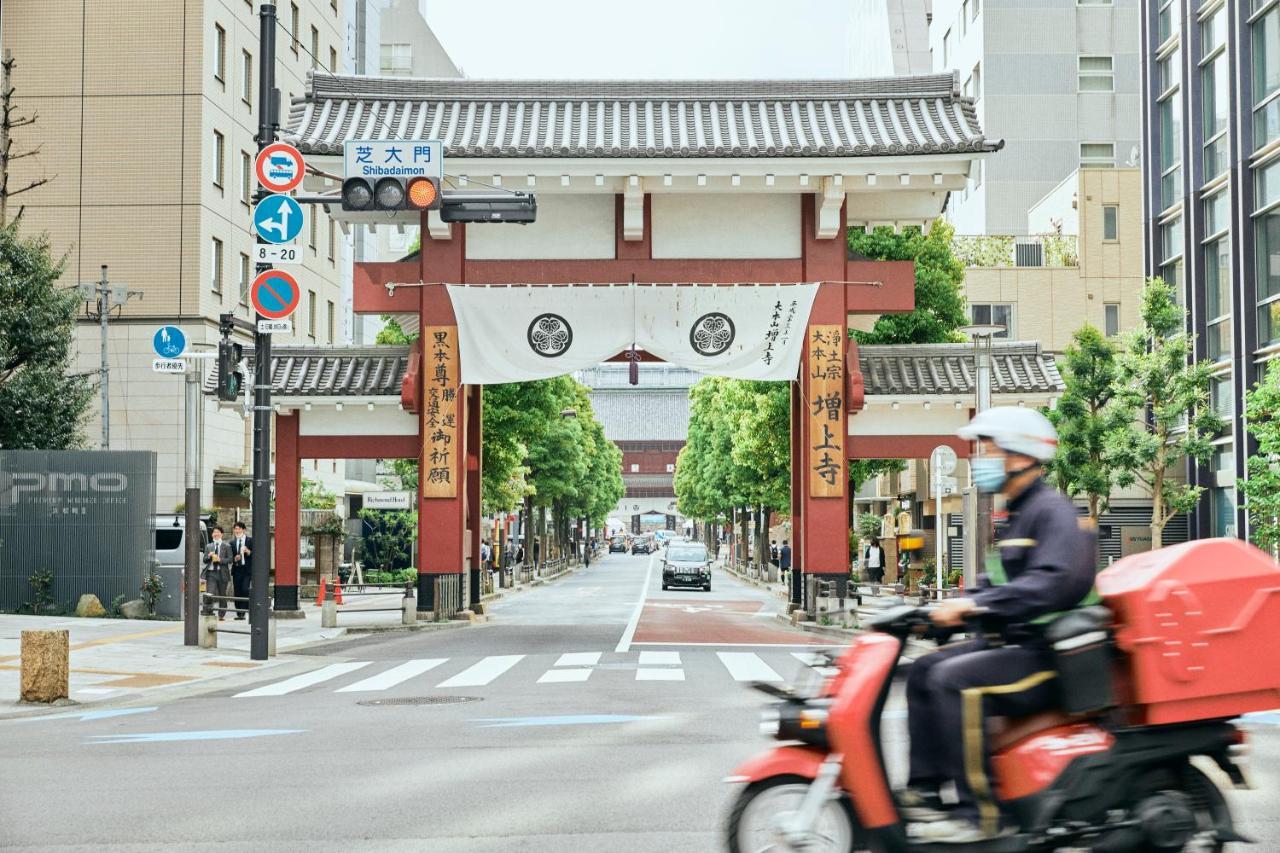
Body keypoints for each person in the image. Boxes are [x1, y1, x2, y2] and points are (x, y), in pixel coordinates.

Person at [901, 407, 1096, 843]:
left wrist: (974, 609)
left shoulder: (1053, 512)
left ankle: (980, 816)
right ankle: (926, 793)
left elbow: (1051, 585)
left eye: (988, 448)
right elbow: (998, 583)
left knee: (957, 682)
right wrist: (938, 615)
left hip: (1049, 654)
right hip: (1015, 646)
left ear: (1020, 457)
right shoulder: (1018, 514)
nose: (979, 457)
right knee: (923, 671)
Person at [202, 525, 233, 621]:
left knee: (222, 594)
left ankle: (221, 614)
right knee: (210, 593)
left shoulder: (227, 546)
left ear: (221, 534)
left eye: (218, 532)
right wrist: (209, 556)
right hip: (211, 573)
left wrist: (220, 560)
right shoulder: (208, 546)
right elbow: (204, 560)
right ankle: (209, 611)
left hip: (222, 572)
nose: (216, 534)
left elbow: (230, 559)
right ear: (212, 535)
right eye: (214, 532)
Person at [230, 522, 253, 621]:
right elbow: (229, 557)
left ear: (243, 530)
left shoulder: (250, 541)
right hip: (237, 570)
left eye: (239, 529)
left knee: (245, 589)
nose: (237, 531)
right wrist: (234, 559)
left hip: (247, 570)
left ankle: (244, 611)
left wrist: (248, 552)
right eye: (235, 529)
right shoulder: (232, 543)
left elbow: (256, 554)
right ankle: (239, 613)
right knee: (237, 591)